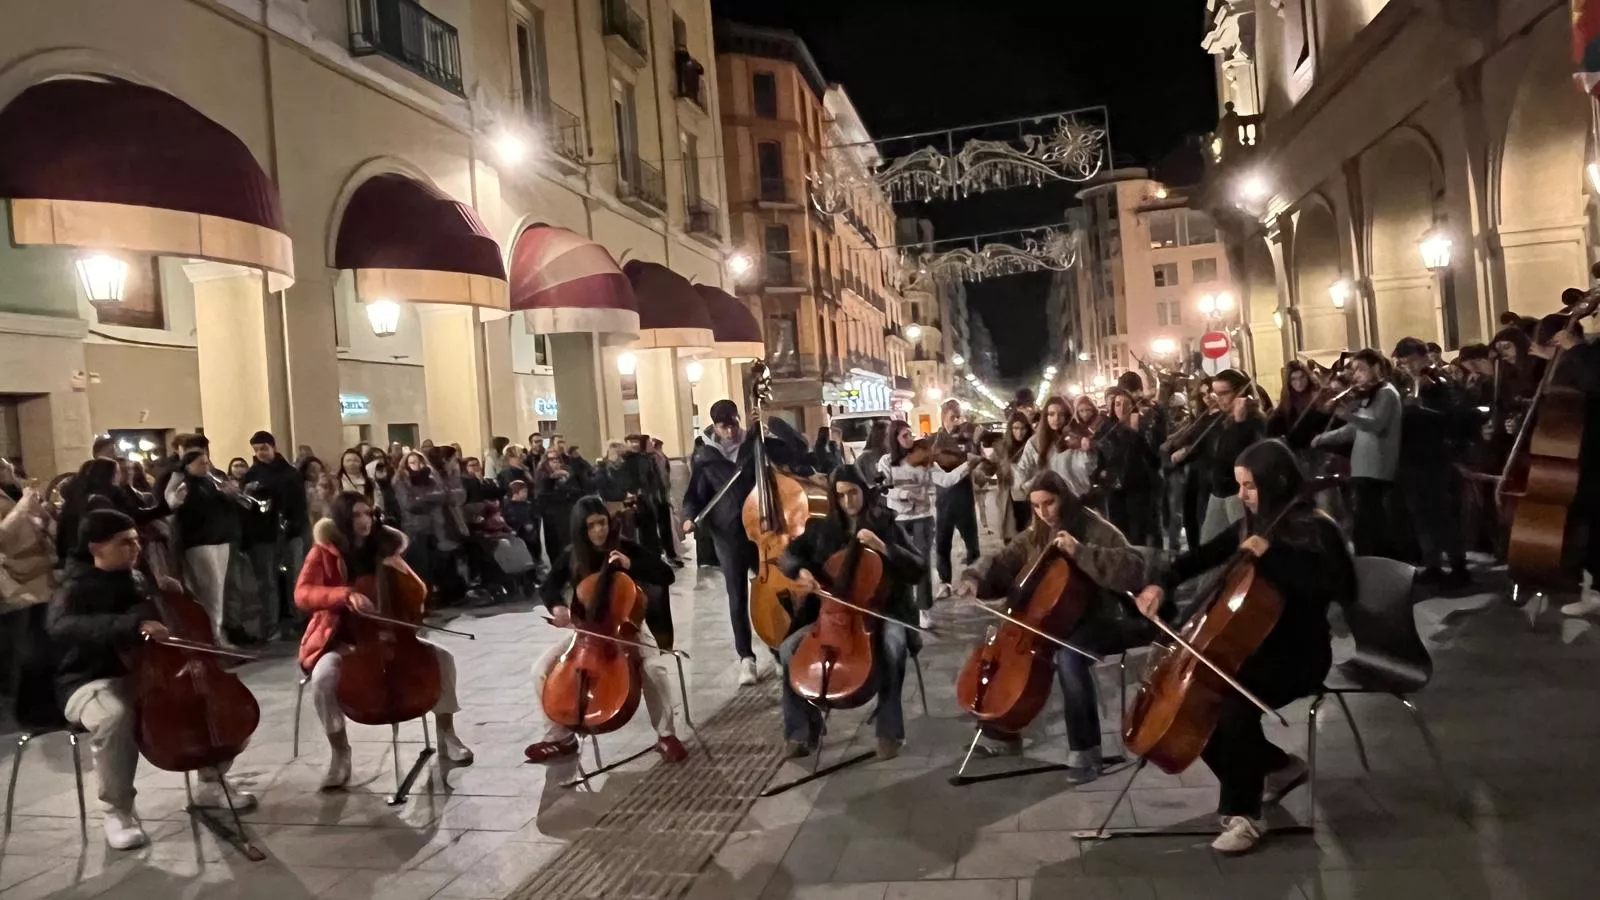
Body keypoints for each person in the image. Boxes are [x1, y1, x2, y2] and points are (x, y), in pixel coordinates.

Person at [1131, 439, 1354, 854]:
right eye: (1240, 485)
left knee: (1226, 702)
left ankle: (1246, 816)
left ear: (1275, 482)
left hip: (1299, 654)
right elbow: (1201, 556)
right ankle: (1277, 766)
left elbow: (1341, 587)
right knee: (1201, 702)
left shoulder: (1316, 527)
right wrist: (1162, 582)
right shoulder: (1255, 524)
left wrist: (1273, 559)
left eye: (1249, 486)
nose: (1241, 495)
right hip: (1253, 648)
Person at [49, 509, 256, 849]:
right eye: (125, 543)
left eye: (136, 542)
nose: (136, 549)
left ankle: (211, 780)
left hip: (148, 672)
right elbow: (61, 628)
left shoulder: (138, 579)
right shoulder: (72, 588)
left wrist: (176, 594)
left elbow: (176, 622)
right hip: (88, 678)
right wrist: (130, 625)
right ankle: (117, 810)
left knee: (206, 698)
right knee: (114, 717)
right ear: (96, 547)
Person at [955, 470, 1151, 780]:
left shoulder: (1094, 527)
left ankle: (1087, 751)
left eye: (1049, 504)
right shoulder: (1037, 531)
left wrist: (1081, 552)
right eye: (1035, 506)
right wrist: (973, 578)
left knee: (1068, 657)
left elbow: (1134, 567)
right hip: (1055, 620)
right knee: (1003, 651)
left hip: (1104, 618)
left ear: (1065, 499)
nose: (1043, 513)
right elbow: (1004, 560)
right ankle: (1004, 731)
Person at [295, 492, 473, 789]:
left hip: (392, 637)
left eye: (367, 514)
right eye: (355, 515)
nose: (364, 521)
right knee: (323, 678)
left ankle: (447, 734)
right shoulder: (324, 552)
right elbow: (302, 594)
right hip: (341, 638)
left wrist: (406, 576)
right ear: (342, 519)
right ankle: (340, 752)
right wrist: (344, 594)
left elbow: (417, 593)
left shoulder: (385, 548)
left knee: (443, 659)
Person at [776, 465, 926, 759]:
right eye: (841, 495)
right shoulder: (822, 529)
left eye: (853, 493)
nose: (848, 501)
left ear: (864, 491)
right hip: (830, 618)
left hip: (883, 613)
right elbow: (788, 555)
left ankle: (889, 730)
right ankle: (802, 730)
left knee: (893, 646)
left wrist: (884, 548)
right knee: (788, 650)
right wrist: (801, 570)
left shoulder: (886, 523)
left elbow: (917, 568)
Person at [524, 495, 688, 763]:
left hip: (628, 629)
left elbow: (665, 574)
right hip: (587, 634)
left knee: (653, 669)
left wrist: (630, 565)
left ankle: (666, 734)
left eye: (602, 523)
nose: (599, 530)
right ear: (581, 529)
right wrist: (557, 608)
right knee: (540, 670)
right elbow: (548, 587)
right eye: (591, 526)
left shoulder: (625, 548)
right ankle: (560, 737)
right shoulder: (573, 555)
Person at [680, 397, 812, 682]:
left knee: (773, 594)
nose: (730, 432)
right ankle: (746, 658)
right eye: (724, 427)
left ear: (740, 419)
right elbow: (695, 494)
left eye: (734, 424)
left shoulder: (755, 440)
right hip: (727, 536)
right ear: (714, 426)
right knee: (737, 597)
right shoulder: (705, 454)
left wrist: (770, 423)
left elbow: (798, 450)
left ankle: (778, 649)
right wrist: (688, 516)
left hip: (763, 531)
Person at [1392, 338, 1471, 586]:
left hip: (1435, 459)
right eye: (1403, 363)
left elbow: (1454, 417)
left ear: (1425, 357)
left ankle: (1458, 566)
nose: (1408, 367)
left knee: (1443, 515)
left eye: (1412, 361)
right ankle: (1432, 564)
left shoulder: (1441, 383)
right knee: (1420, 515)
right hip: (1411, 459)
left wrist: (1423, 407)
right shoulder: (1406, 386)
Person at [878, 420, 969, 628]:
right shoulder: (886, 461)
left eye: (910, 434)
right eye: (904, 436)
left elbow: (946, 480)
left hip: (922, 518)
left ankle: (924, 610)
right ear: (895, 439)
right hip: (898, 520)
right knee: (899, 564)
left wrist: (967, 466)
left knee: (922, 565)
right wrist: (903, 493)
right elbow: (882, 488)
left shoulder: (925, 461)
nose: (910, 439)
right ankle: (903, 606)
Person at [1311, 349, 1401, 557]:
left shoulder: (1387, 392)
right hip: (1362, 467)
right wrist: (1323, 438)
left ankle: (1377, 561)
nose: (1357, 376)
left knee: (1371, 520)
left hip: (1377, 466)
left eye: (1361, 369)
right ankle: (1366, 558)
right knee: (1363, 519)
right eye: (1354, 370)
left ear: (1377, 368)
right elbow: (1354, 430)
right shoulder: (1369, 395)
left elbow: (1376, 425)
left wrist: (1349, 414)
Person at [165, 448, 241, 647]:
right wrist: (177, 497)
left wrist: (229, 494)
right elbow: (172, 504)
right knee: (209, 591)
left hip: (220, 539)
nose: (206, 466)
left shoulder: (211, 482)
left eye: (207, 462)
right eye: (201, 463)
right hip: (199, 542)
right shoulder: (185, 484)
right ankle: (212, 635)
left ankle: (217, 632)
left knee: (219, 591)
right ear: (188, 466)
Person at [243, 431, 310, 639]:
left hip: (291, 533)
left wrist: (293, 525)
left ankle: (300, 620)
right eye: (256, 450)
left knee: (295, 577)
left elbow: (299, 503)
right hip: (264, 534)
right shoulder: (252, 473)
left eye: (263, 448)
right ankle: (271, 624)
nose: (260, 453)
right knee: (267, 581)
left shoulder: (290, 472)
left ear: (273, 447)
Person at [1187, 369, 1267, 543]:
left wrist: (1239, 423)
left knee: (1242, 544)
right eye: (1216, 393)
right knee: (1207, 543)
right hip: (1218, 491)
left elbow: (1239, 456)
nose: (1218, 398)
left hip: (1237, 492)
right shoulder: (1223, 418)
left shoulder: (1254, 420)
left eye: (1224, 393)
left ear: (1240, 392)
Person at [929, 400, 983, 595]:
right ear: (943, 418)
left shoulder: (967, 439)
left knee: (972, 545)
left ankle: (972, 581)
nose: (957, 421)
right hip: (944, 501)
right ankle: (945, 584)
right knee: (943, 544)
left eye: (959, 416)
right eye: (953, 417)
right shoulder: (935, 440)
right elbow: (939, 460)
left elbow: (978, 461)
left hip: (964, 499)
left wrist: (974, 442)